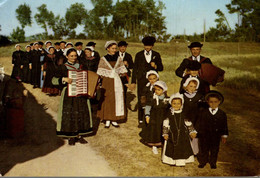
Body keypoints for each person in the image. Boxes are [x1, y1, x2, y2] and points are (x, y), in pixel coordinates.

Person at [52, 48, 93, 145]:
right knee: (70, 114)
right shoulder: (62, 67)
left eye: (75, 56)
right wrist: (64, 79)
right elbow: (53, 80)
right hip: (68, 94)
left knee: (80, 113)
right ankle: (71, 136)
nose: (74, 58)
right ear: (67, 56)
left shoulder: (82, 66)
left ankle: (80, 135)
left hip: (81, 93)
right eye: (71, 56)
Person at [130, 36, 163, 126]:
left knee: (153, 98)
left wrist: (155, 66)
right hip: (141, 81)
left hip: (153, 81)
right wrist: (133, 81)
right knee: (142, 99)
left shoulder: (156, 54)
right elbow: (135, 69)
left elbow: (161, 68)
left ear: (152, 46)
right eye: (146, 45)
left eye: (149, 46)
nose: (147, 47)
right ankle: (141, 120)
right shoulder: (139, 54)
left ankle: (151, 118)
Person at [96, 40, 127, 128]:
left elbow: (122, 71)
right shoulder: (103, 59)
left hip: (117, 81)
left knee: (116, 99)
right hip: (107, 81)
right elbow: (100, 73)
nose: (114, 50)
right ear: (108, 49)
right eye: (112, 48)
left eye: (115, 48)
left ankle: (114, 119)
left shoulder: (118, 59)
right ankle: (107, 119)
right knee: (107, 99)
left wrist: (123, 73)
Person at [196, 90, 228, 169]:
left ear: (219, 102)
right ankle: (203, 161)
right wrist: (197, 132)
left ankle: (213, 162)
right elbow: (199, 123)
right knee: (204, 149)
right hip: (204, 135)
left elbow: (224, 125)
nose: (213, 104)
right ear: (207, 102)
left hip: (215, 135)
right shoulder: (203, 112)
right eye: (211, 102)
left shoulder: (222, 114)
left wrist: (224, 135)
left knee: (214, 149)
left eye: (215, 102)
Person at [162, 93, 196, 166]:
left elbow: (188, 123)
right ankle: (171, 161)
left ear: (181, 104)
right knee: (171, 147)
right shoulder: (169, 114)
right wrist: (165, 133)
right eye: (174, 104)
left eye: (178, 104)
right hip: (172, 133)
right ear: (171, 103)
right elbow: (166, 124)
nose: (176, 105)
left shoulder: (184, 113)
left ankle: (181, 161)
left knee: (183, 147)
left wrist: (192, 131)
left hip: (183, 134)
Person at [139, 81, 168, 154]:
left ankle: (161, 142)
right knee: (154, 130)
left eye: (159, 90)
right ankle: (154, 145)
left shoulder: (166, 99)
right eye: (155, 89)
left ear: (163, 90)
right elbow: (148, 107)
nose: (157, 91)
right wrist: (147, 115)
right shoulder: (152, 98)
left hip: (162, 117)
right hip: (154, 117)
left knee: (161, 129)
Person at [182, 77, 204, 155]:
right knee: (185, 132)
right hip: (186, 117)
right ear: (186, 86)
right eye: (190, 86)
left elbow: (201, 108)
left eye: (194, 86)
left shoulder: (199, 96)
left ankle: (194, 150)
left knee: (195, 133)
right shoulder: (183, 96)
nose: (192, 88)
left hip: (196, 117)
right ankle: (185, 149)